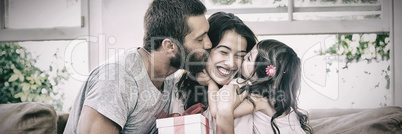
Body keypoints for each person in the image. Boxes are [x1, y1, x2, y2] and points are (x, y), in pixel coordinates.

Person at [64, 0, 212, 133]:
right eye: (200, 39)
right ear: (169, 46)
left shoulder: (167, 78)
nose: (209, 44)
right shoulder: (117, 80)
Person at [170, 11, 257, 133]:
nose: (231, 63)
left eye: (240, 55)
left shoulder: (241, 91)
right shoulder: (179, 86)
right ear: (205, 48)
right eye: (223, 52)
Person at [208, 39, 313, 134]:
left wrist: (210, 83)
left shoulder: (259, 99)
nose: (244, 57)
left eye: (249, 58)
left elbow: (217, 112)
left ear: (262, 73)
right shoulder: (280, 101)